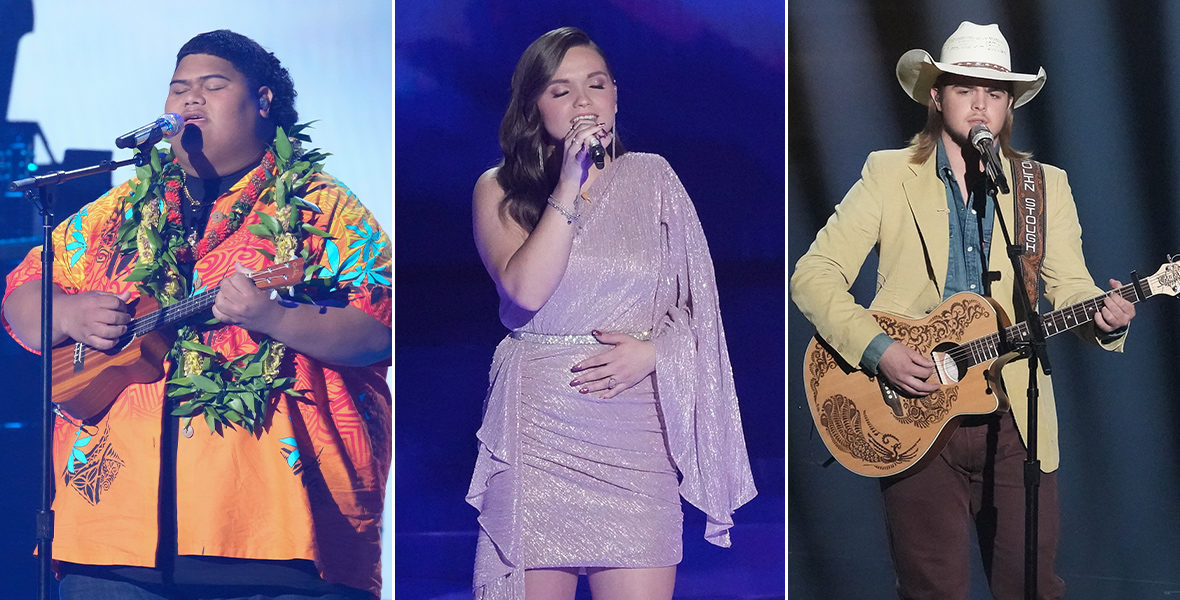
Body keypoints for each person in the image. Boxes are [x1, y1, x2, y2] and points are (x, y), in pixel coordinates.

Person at [1, 30, 391, 599]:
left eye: (212, 85)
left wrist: (275, 319)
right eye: (178, 88)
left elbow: (379, 328)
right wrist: (69, 311)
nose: (190, 100)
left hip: (280, 541)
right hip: (112, 539)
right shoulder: (118, 210)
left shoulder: (318, 206)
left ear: (262, 102)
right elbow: (19, 300)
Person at [791, 21, 1136, 600]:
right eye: (965, 89)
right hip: (911, 415)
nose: (981, 105)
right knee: (932, 590)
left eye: (995, 92)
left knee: (1033, 588)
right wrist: (880, 351)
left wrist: (1103, 316)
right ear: (936, 96)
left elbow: (1070, 287)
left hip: (1014, 420)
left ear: (1009, 105)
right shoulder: (888, 174)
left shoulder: (1041, 187)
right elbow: (813, 274)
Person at [468, 27, 756, 600]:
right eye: (561, 91)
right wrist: (570, 185)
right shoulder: (498, 189)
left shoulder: (654, 179)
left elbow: (700, 311)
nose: (583, 103)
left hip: (634, 438)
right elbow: (524, 292)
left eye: (595, 86)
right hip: (538, 432)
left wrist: (656, 352)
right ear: (533, 107)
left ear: (615, 96)